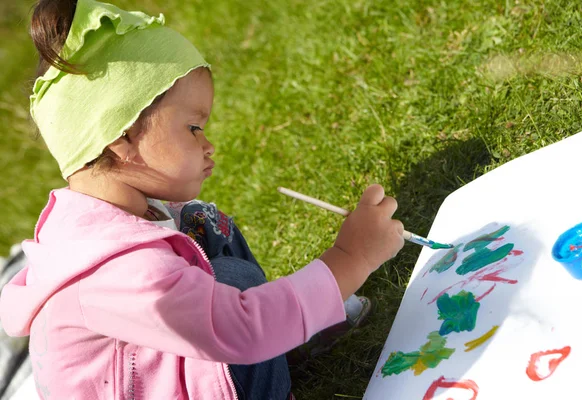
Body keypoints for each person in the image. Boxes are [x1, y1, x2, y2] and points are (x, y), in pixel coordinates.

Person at [0, 0, 405, 399]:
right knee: (235, 282)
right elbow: (240, 327)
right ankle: (280, 354)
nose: (208, 145)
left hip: (154, 368)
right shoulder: (117, 270)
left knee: (203, 227)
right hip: (179, 370)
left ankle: (289, 336)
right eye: (193, 127)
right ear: (120, 138)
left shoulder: (86, 220)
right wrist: (352, 256)